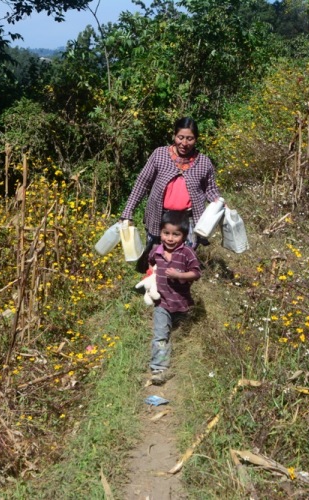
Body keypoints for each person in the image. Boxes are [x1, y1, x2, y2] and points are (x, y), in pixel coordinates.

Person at [120, 117, 223, 271]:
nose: (184, 143)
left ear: (196, 139)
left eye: (190, 139)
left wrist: (218, 200)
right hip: (160, 216)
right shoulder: (160, 154)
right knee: (155, 256)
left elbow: (210, 189)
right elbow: (142, 182)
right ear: (174, 135)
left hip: (187, 219)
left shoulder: (203, 162)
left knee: (183, 259)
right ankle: (153, 286)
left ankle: (176, 289)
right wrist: (128, 211)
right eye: (180, 137)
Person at [147, 211, 201, 385]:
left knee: (182, 333)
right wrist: (150, 278)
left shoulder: (187, 253)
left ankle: (185, 360)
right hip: (162, 302)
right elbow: (151, 263)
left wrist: (181, 275)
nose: (170, 238)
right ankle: (159, 368)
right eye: (166, 233)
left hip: (182, 302)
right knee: (161, 335)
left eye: (176, 234)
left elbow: (196, 273)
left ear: (184, 236)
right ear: (160, 232)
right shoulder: (156, 251)